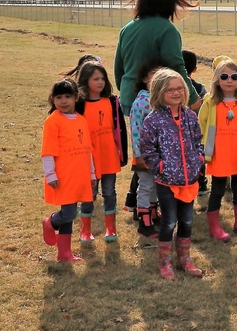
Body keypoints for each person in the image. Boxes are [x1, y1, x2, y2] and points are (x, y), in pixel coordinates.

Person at [139, 68, 206, 278]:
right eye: (170, 90)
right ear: (159, 92)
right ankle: (165, 263)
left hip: (189, 180)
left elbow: (198, 142)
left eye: (179, 89)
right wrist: (160, 167)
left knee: (187, 221)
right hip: (167, 181)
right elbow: (147, 149)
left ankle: (185, 260)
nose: (176, 93)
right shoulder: (153, 120)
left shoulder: (190, 117)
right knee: (169, 221)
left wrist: (199, 160)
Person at [197, 58, 237, 242]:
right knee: (217, 190)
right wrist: (201, 150)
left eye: (234, 76)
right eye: (224, 76)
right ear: (217, 79)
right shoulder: (209, 102)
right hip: (218, 155)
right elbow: (200, 127)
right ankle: (215, 226)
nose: (229, 80)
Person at [113, 0, 197, 116]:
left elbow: (119, 69)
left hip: (129, 97)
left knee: (138, 137)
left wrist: (125, 88)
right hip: (155, 100)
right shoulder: (167, 30)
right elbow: (176, 66)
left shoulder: (127, 29)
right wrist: (192, 98)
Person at [71, 58, 127, 244]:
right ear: (85, 80)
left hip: (109, 156)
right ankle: (85, 230)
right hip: (89, 158)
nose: (100, 82)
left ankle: (111, 228)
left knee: (110, 191)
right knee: (90, 193)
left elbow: (120, 131)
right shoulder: (79, 105)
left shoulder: (112, 102)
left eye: (102, 78)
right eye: (95, 78)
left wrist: (123, 154)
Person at [41, 79, 95, 265]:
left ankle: (64, 253)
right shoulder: (52, 121)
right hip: (63, 176)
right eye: (58, 97)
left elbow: (87, 150)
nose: (63, 101)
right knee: (70, 213)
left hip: (79, 175)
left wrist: (92, 174)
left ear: (76, 97)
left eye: (67, 96)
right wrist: (50, 174)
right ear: (52, 100)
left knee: (70, 214)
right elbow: (47, 150)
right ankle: (50, 222)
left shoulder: (81, 120)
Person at [127, 59, 164, 238]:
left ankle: (153, 213)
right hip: (145, 155)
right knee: (146, 186)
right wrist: (139, 154)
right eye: (153, 74)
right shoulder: (142, 102)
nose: (157, 78)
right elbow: (136, 130)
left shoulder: (161, 99)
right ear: (144, 79)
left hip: (160, 155)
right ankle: (144, 222)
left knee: (156, 186)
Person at [182, 49, 209, 193]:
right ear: (195, 70)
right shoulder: (200, 88)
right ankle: (201, 184)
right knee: (199, 157)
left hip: (179, 131)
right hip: (196, 130)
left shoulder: (172, 86)